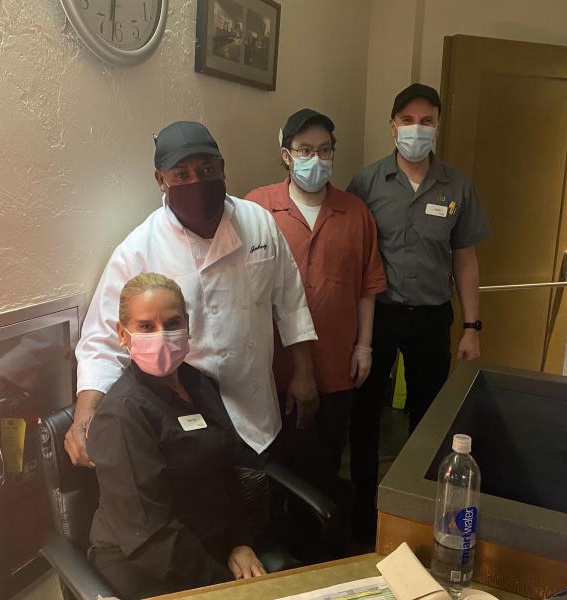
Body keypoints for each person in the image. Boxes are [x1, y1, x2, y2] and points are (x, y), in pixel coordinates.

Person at [66, 121, 319, 468]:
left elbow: (290, 300)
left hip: (256, 400)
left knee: (263, 498)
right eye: (181, 175)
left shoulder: (258, 223)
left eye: (205, 170)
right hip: (187, 412)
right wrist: (85, 414)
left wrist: (304, 372)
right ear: (160, 180)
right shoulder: (139, 249)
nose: (196, 182)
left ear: (222, 168)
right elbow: (103, 341)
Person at [346, 83, 490, 544]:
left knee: (429, 418)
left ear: (437, 127)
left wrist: (471, 326)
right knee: (366, 414)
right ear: (392, 126)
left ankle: (418, 506)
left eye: (426, 121)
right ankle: (362, 509)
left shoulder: (458, 186)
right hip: (378, 317)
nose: (416, 129)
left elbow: (465, 258)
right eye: (407, 120)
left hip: (431, 318)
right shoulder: (366, 184)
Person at [88, 273, 266, 599]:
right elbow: (148, 536)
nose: (162, 336)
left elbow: (227, 469)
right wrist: (223, 584)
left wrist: (241, 542)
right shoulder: (122, 415)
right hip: (146, 563)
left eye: (172, 324)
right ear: (122, 334)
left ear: (187, 325)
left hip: (209, 543)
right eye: (146, 327)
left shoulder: (197, 383)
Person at [245, 109, 387, 483]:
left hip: (335, 365)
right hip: (272, 367)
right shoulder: (258, 208)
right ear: (285, 154)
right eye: (305, 150)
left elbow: (368, 286)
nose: (316, 159)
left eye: (325, 150)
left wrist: (364, 347)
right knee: (275, 469)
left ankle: (322, 537)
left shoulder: (355, 212)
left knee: (324, 464)